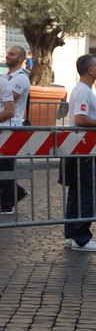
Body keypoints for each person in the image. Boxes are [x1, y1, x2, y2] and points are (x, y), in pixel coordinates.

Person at [64, 54, 96, 252]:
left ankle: (72, 234)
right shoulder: (84, 91)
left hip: (80, 148)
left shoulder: (84, 90)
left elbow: (85, 117)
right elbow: (80, 119)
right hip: (83, 149)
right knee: (91, 194)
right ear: (91, 70)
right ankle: (81, 237)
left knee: (77, 193)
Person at [0, 46, 31, 213]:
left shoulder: (21, 79)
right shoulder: (6, 76)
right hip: (3, 127)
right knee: (3, 167)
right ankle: (17, 192)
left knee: (5, 167)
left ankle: (5, 205)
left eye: (12, 54)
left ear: (20, 59)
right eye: (8, 53)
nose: (7, 55)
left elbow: (8, 101)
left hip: (11, 127)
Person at [0, 75, 16, 214]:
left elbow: (10, 111)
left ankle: (5, 206)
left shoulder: (2, 82)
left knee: (5, 170)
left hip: (3, 134)